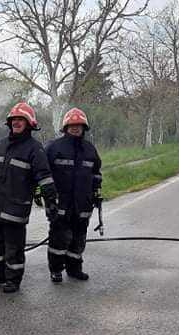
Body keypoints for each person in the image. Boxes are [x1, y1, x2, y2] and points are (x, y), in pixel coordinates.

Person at [0, 102, 57, 293]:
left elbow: (45, 178)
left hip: (16, 208)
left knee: (13, 247)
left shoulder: (35, 149)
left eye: (20, 119)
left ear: (29, 123)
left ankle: (13, 279)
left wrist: (51, 202)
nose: (16, 122)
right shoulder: (1, 145)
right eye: (13, 119)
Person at [44, 108, 102, 282]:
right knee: (58, 239)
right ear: (66, 127)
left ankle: (74, 269)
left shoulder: (90, 149)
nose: (76, 128)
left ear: (84, 128)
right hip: (60, 203)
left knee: (78, 239)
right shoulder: (54, 147)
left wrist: (96, 193)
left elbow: (96, 174)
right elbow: (43, 174)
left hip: (83, 204)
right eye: (72, 126)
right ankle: (56, 270)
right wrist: (46, 198)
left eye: (79, 126)